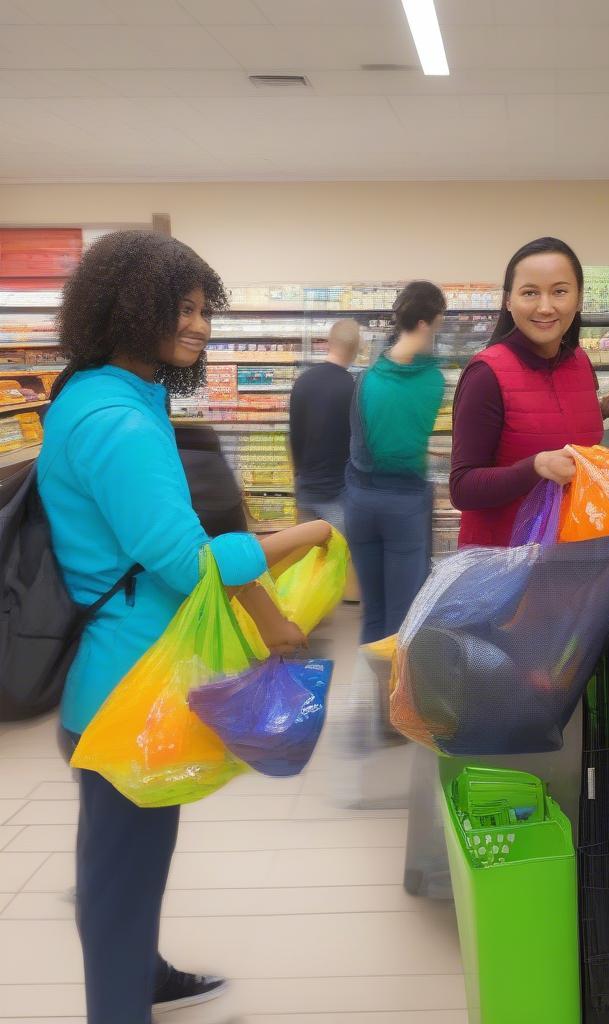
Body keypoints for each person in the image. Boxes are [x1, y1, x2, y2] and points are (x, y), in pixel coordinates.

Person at [39, 230, 331, 1024]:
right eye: (182, 307)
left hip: (136, 671)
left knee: (135, 857)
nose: (199, 324)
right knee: (119, 875)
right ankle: (119, 1005)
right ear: (127, 305)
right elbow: (184, 561)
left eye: (206, 308)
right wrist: (277, 605)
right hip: (128, 687)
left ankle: (147, 974)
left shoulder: (118, 394)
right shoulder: (116, 419)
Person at [450, 236, 609, 547]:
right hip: (505, 563)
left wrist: (608, 405)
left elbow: (555, 422)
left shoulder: (580, 363)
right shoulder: (486, 374)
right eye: (530, 293)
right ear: (508, 301)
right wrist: (535, 467)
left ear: (579, 298)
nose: (545, 307)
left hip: (572, 554)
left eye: (559, 291)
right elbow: (463, 488)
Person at [345, 281, 445, 644]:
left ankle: (376, 697)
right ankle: (398, 699)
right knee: (402, 620)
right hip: (404, 505)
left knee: (373, 612)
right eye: (438, 324)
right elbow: (406, 441)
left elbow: (365, 448)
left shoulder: (365, 379)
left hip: (360, 503)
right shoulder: (433, 381)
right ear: (424, 324)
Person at [289, 318, 360, 534]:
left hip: (306, 491)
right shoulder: (353, 388)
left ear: (329, 343)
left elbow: (294, 438)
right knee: (338, 559)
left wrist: (299, 478)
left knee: (307, 560)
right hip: (338, 497)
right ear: (355, 350)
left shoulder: (303, 381)